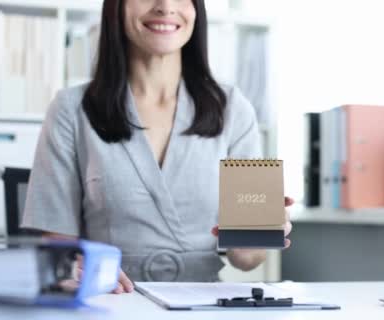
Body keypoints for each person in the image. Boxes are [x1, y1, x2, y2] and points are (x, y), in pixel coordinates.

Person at [21, 0, 293, 294]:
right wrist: (76, 268)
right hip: (112, 300)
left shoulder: (232, 108)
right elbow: (58, 249)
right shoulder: (71, 109)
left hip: (201, 305)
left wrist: (262, 231)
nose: (165, 7)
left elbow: (248, 259)